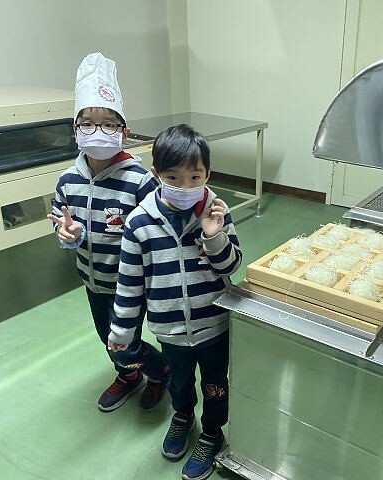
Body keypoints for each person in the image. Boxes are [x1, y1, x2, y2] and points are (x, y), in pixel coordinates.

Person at [108, 124, 242, 480]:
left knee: (216, 384)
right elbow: (130, 282)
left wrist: (214, 237)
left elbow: (232, 266)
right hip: (169, 329)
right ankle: (183, 416)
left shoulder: (217, 211)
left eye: (195, 177)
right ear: (156, 174)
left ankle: (212, 432)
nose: (185, 186)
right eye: (173, 177)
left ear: (207, 173)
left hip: (214, 325)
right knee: (179, 383)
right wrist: (122, 330)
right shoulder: (139, 223)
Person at [47, 52, 169, 413]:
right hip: (93, 279)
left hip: (131, 283)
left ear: (124, 132)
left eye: (109, 123)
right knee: (107, 337)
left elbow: (159, 231)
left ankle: (159, 371)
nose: (97, 130)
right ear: (75, 131)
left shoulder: (140, 181)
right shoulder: (67, 180)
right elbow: (62, 222)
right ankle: (129, 376)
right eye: (87, 123)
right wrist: (70, 235)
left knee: (125, 340)